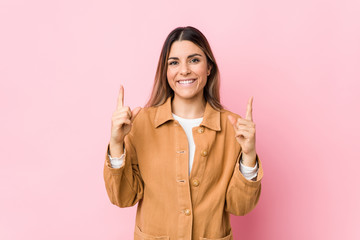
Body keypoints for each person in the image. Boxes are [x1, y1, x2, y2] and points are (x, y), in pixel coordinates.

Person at [103, 26, 263, 240]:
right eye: (174, 62)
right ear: (165, 71)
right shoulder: (140, 123)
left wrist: (249, 155)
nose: (184, 70)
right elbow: (123, 198)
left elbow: (240, 206)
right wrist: (116, 143)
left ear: (209, 68)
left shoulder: (233, 127)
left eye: (194, 60)